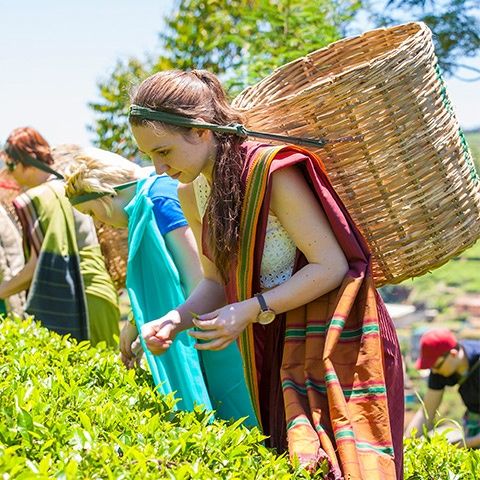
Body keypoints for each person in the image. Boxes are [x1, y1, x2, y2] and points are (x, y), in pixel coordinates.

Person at [128, 69, 404, 479]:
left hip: (332, 337)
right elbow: (214, 283)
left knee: (337, 467)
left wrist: (252, 309)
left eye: (163, 151)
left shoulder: (271, 172)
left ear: (202, 132)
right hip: (273, 341)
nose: (158, 167)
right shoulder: (191, 192)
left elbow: (331, 266)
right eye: (149, 155)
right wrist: (175, 320)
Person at [64, 148, 257, 422]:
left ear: (106, 196)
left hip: (215, 328)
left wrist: (165, 327)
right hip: (199, 323)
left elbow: (199, 277)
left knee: (239, 414)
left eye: (92, 212)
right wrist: (136, 321)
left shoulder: (160, 200)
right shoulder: (152, 199)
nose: (98, 222)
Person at [0, 127, 119, 346]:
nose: (11, 174)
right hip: (102, 293)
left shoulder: (36, 197)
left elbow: (39, 265)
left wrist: (3, 290)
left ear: (28, 160)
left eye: (10, 165)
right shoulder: (71, 188)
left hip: (72, 301)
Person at [405, 328, 480, 448]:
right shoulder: (440, 369)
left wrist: (458, 446)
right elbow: (427, 412)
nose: (434, 372)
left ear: (453, 354)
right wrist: (407, 445)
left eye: (437, 366)